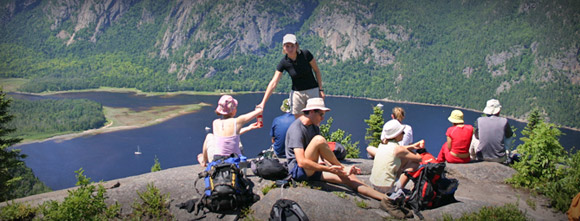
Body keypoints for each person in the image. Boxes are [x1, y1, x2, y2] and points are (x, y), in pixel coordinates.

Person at [285, 98, 385, 201]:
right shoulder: (297, 129)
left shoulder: (314, 127)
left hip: (313, 169)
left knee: (350, 178)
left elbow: (320, 153)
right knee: (319, 140)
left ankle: (386, 199)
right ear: (311, 112)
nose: (323, 118)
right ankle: (341, 167)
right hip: (299, 171)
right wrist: (329, 169)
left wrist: (331, 167)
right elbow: (301, 162)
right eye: (321, 114)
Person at [258, 34, 325, 118]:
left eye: (292, 46)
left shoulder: (306, 54)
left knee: (315, 119)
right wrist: (263, 103)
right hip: (297, 94)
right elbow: (273, 82)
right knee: (298, 122)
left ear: (296, 45)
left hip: (312, 91)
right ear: (283, 47)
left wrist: (320, 89)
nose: (290, 49)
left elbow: (317, 71)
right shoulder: (284, 62)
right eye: (287, 46)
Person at [369, 119, 424, 219]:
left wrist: (411, 146)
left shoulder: (382, 144)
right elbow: (419, 158)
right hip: (387, 187)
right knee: (414, 163)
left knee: (400, 159)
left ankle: (395, 187)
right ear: (396, 134)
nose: (403, 133)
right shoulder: (398, 149)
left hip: (374, 183)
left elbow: (400, 150)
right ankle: (396, 193)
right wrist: (417, 150)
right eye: (402, 132)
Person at [197, 95, 262, 167]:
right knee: (237, 139)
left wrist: (248, 128)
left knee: (209, 136)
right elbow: (259, 111)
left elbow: (226, 136)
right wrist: (260, 107)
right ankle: (203, 160)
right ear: (233, 110)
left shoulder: (215, 122)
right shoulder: (237, 121)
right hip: (236, 163)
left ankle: (203, 160)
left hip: (219, 163)